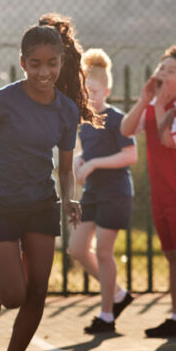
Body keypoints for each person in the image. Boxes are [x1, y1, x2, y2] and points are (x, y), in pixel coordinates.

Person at [0, 13, 95, 351]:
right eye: (35, 64)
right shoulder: (3, 100)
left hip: (39, 203)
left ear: (62, 63)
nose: (44, 71)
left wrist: (68, 196)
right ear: (22, 64)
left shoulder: (66, 111)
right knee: (14, 295)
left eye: (52, 63)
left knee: (37, 293)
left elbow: (65, 168)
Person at [115, 46, 176, 339]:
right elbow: (126, 129)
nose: (163, 74)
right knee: (172, 257)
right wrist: (144, 100)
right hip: (161, 195)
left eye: (171, 71)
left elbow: (169, 141)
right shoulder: (151, 107)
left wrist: (161, 102)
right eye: (161, 68)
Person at [66, 49, 137, 329]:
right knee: (78, 248)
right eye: (86, 91)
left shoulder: (117, 118)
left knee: (105, 252)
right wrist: (81, 160)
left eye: (94, 90)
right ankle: (118, 294)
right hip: (93, 193)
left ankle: (107, 315)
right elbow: (87, 153)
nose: (90, 96)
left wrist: (93, 164)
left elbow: (130, 156)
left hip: (116, 193)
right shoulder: (85, 121)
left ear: (106, 90)